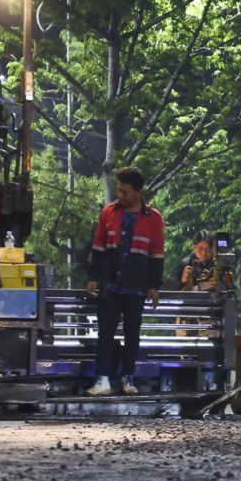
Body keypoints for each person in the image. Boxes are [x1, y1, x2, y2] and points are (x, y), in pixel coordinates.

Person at [85, 167, 165, 396]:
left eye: (125, 192)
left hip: (137, 285)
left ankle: (128, 378)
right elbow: (98, 248)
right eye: (119, 190)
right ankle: (102, 380)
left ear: (138, 192)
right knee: (105, 333)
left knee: (132, 334)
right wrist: (94, 277)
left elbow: (157, 254)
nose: (120, 195)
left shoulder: (154, 218)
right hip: (110, 284)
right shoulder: (108, 212)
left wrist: (153, 286)